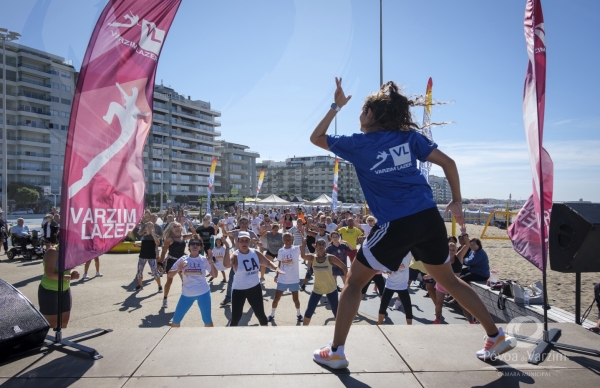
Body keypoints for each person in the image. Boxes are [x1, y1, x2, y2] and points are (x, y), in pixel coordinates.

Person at [308, 77, 515, 368]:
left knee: (354, 282)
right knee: (449, 280)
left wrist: (335, 106)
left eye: (361, 110)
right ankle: (495, 336)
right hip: (429, 218)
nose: (359, 115)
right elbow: (449, 164)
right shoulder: (409, 138)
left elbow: (316, 137)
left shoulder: (358, 144)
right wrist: (456, 201)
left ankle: (337, 351)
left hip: (396, 222)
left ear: (368, 114)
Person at [169, 236, 226, 327]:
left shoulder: (204, 260)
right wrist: (178, 269)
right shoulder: (183, 259)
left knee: (207, 320)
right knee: (176, 320)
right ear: (189, 246)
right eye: (192, 244)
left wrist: (211, 262)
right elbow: (169, 275)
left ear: (200, 247)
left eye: (197, 244)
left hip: (203, 293)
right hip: (186, 295)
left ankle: (209, 339)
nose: (195, 246)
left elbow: (214, 275)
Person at [229, 232, 283, 326]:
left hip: (254, 288)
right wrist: (225, 251)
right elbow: (227, 263)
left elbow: (268, 263)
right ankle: (231, 338)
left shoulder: (255, 253)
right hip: (239, 290)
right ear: (238, 242)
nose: (244, 243)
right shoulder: (235, 255)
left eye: (246, 240)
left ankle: (266, 336)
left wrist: (276, 268)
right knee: (236, 317)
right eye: (242, 240)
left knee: (261, 315)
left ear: (250, 242)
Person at [300, 236, 348, 326]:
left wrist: (347, 282)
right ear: (316, 246)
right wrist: (303, 243)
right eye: (319, 244)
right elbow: (302, 256)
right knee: (309, 312)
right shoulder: (312, 258)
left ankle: (339, 334)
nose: (321, 246)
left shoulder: (330, 258)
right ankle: (304, 331)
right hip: (317, 290)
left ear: (325, 246)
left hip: (331, 289)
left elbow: (344, 267)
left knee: (337, 313)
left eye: (323, 244)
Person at [38, 246, 80, 328]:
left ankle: (59, 339)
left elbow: (66, 269)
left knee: (64, 322)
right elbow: (49, 274)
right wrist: (70, 277)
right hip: (49, 290)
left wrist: (72, 273)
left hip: (65, 289)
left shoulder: (70, 251)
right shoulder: (53, 252)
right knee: (52, 324)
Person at [268, 232, 303, 323]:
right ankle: (272, 314)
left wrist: (304, 235)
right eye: (286, 238)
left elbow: (303, 245)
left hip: (294, 280)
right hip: (282, 279)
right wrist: (277, 274)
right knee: (276, 299)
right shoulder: (281, 251)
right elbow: (279, 263)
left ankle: (299, 314)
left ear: (292, 240)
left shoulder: (296, 249)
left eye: (289, 238)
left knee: (296, 299)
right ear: (283, 240)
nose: (288, 240)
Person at [160, 222, 195, 308]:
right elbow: (164, 251)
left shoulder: (183, 237)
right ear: (172, 229)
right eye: (174, 227)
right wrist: (160, 263)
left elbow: (195, 234)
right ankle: (165, 299)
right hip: (171, 261)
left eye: (178, 226)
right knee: (169, 281)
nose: (176, 228)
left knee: (184, 280)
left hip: (182, 261)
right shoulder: (169, 239)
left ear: (181, 228)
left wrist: (190, 226)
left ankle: (184, 298)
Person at [378, 253, 412, 325]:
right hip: (390, 285)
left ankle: (410, 328)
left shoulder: (408, 254)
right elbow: (383, 267)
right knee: (382, 308)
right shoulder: (390, 254)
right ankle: (379, 325)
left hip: (402, 286)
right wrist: (386, 270)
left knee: (408, 309)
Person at [434, 242, 462, 323]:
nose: (451, 251)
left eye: (453, 250)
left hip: (454, 284)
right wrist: (430, 275)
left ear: (456, 250)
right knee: (439, 304)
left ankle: (471, 321)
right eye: (449, 250)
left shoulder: (459, 257)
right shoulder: (442, 258)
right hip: (441, 283)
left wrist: (464, 234)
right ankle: (437, 320)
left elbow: (466, 246)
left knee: (463, 305)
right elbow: (436, 270)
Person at [133, 222, 163, 292]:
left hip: (151, 256)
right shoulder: (144, 236)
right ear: (145, 228)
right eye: (148, 226)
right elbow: (144, 246)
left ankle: (160, 286)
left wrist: (153, 235)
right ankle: (140, 286)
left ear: (153, 228)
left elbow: (158, 243)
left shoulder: (155, 236)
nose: (149, 228)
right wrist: (138, 246)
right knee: (139, 272)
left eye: (151, 226)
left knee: (154, 272)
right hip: (142, 256)